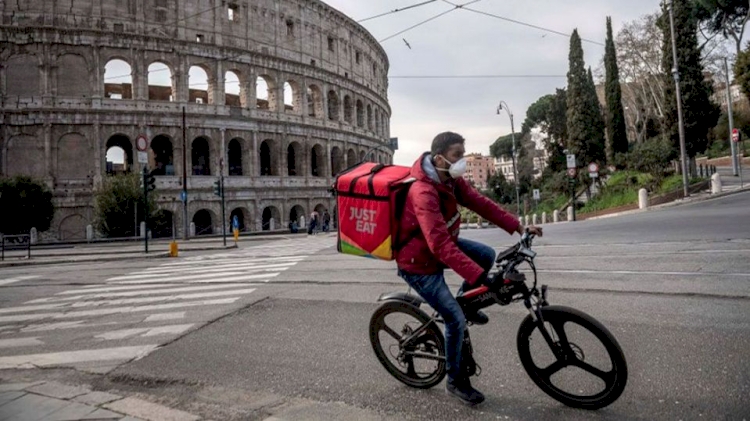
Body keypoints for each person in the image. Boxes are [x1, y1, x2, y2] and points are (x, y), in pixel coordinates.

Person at [395, 131, 542, 405]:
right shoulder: (423, 191)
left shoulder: (450, 179)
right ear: (439, 158)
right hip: (418, 263)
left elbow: (480, 203)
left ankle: (467, 304)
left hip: (439, 247)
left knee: (486, 254)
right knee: (454, 319)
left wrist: (519, 226)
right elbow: (439, 246)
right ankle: (455, 380)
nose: (462, 161)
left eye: (463, 154)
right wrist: (483, 279)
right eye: (457, 155)